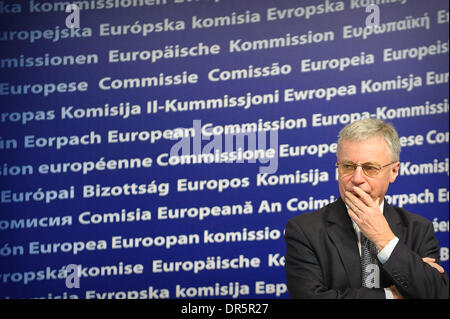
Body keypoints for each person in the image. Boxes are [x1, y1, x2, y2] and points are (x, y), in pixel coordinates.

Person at [284, 119, 449, 299]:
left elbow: (437, 294)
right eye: (348, 166)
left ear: (394, 171)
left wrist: (384, 239)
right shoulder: (305, 230)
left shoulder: (418, 229)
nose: (357, 178)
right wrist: (390, 296)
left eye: (370, 168)